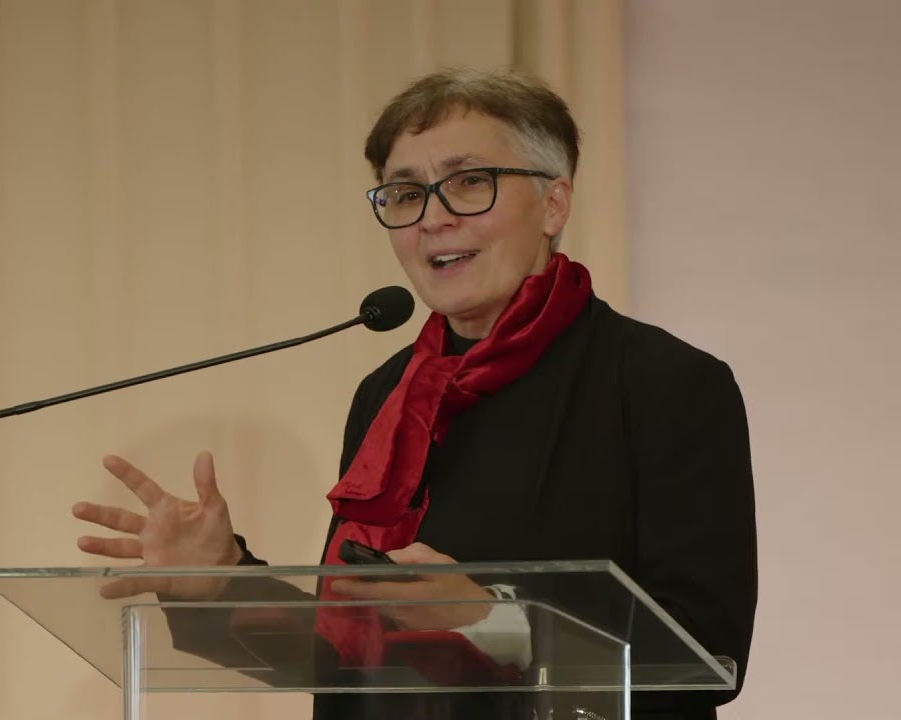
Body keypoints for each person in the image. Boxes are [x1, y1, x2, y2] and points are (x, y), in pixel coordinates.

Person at [71, 68, 757, 719]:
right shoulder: (389, 394)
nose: (433, 218)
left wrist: (489, 620)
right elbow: (349, 660)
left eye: (470, 182)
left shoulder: (665, 385)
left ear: (554, 203)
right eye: (405, 194)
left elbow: (706, 654)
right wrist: (224, 581)